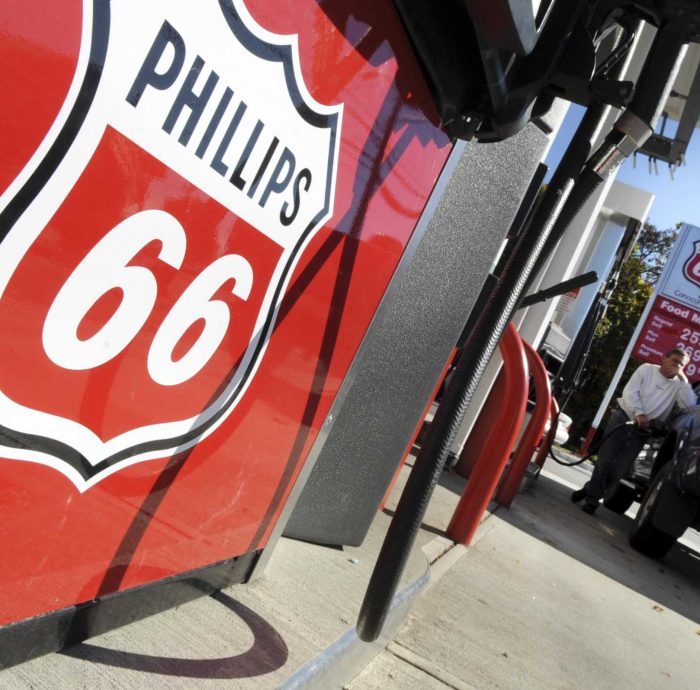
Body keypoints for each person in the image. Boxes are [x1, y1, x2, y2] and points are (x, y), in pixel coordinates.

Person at [571, 348, 696, 514]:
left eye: (681, 365)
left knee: (620, 469)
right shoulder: (646, 369)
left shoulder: (679, 386)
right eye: (674, 361)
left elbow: (689, 406)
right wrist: (639, 413)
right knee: (605, 460)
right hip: (624, 417)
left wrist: (683, 380)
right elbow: (631, 391)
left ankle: (589, 489)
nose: (677, 366)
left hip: (644, 429)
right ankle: (592, 500)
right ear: (664, 358)